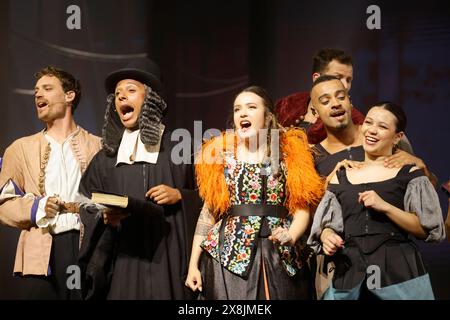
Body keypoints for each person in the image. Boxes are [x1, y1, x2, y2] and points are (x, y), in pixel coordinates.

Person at [77, 58, 202, 299]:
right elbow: (85, 201)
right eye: (117, 94)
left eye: (131, 90)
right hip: (124, 259)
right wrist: (104, 216)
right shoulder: (106, 158)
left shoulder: (180, 147)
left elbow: (208, 199)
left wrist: (180, 196)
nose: (121, 97)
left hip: (170, 256)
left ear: (151, 99)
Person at [185, 86, 324, 299]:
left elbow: (301, 208)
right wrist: (193, 264)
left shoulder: (290, 156)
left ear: (268, 116)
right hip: (229, 255)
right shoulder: (222, 158)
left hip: (280, 254)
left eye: (251, 107)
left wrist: (292, 235)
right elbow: (208, 214)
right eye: (237, 109)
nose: (242, 113)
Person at [308, 101, 446, 299]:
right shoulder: (342, 174)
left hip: (398, 276)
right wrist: (327, 236)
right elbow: (327, 225)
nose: (372, 130)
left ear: (397, 137)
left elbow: (427, 229)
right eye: (369, 123)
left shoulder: (410, 175)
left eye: (382, 127)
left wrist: (386, 207)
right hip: (350, 274)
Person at [0, 66, 101, 299]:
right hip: (41, 250)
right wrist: (38, 208)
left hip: (87, 247)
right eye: (36, 91)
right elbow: (4, 204)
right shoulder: (20, 149)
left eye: (47, 88)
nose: (38, 95)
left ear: (69, 95)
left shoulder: (98, 146)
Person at [275, 48, 365, 145]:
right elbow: (267, 146)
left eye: (348, 80)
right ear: (317, 78)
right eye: (338, 77)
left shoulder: (355, 119)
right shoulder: (288, 104)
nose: (346, 85)